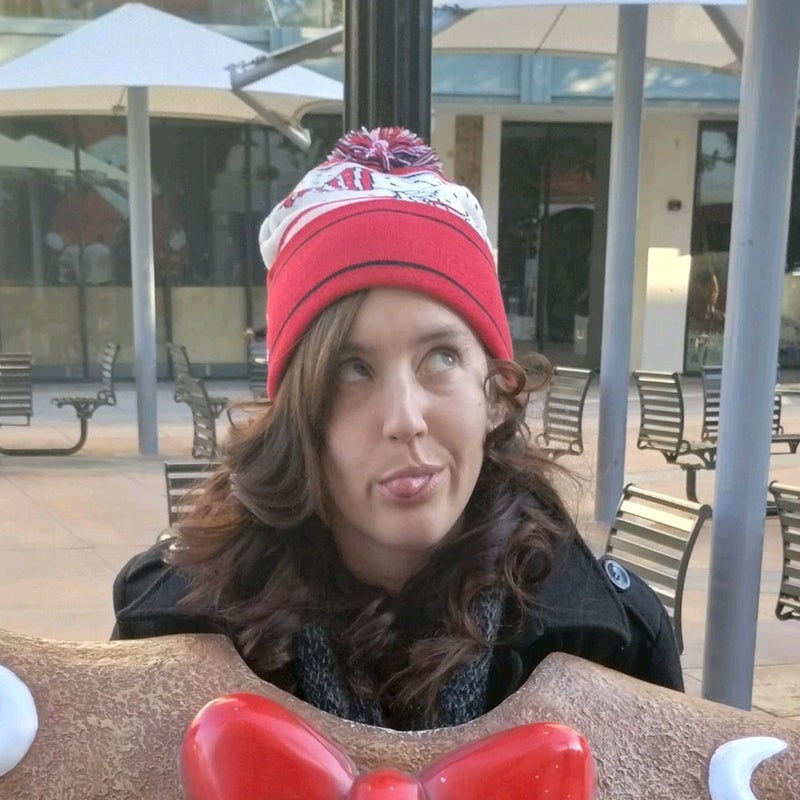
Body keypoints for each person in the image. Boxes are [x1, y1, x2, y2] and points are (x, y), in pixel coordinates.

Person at [112, 127, 683, 731]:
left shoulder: (608, 643)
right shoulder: (177, 629)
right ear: (298, 414)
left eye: (441, 357)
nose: (405, 420)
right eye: (351, 370)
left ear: (494, 393)